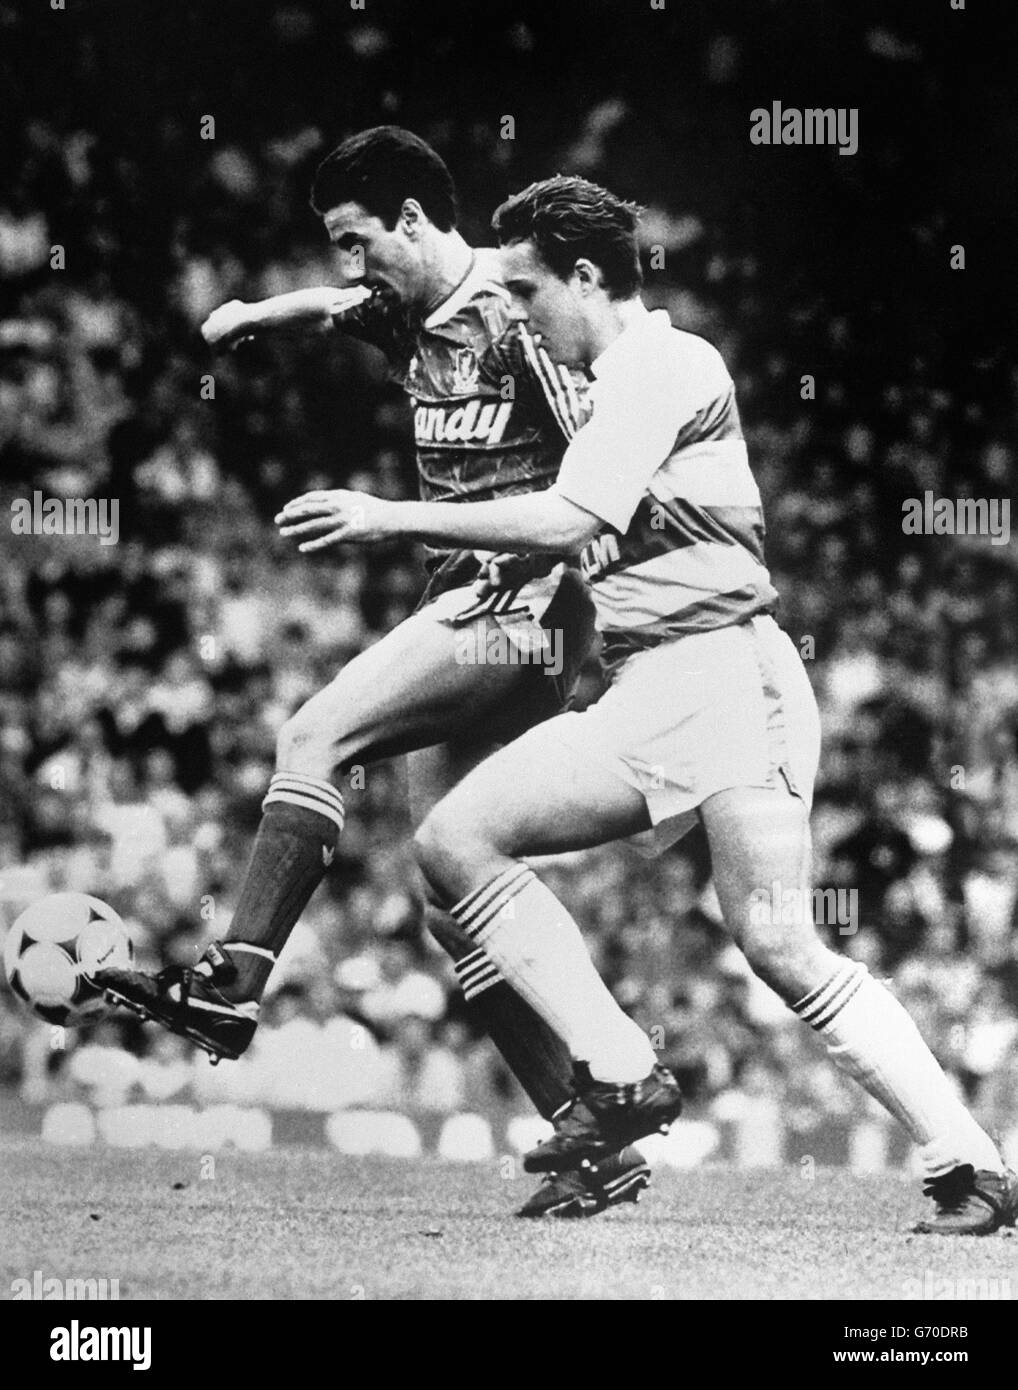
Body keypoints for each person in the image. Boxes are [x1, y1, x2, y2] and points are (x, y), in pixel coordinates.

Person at [272, 174, 1017, 1235]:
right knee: (470, 850)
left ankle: (935, 1155)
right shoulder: (594, 381)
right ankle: (950, 1158)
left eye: (527, 291)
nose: (514, 314)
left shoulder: (667, 362)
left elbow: (579, 513)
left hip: (722, 673)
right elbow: (401, 315)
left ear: (586, 277)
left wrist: (383, 515)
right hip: (662, 681)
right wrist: (272, 314)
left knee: (761, 936)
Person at [99, 131, 649, 1220]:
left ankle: (231, 982)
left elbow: (600, 478)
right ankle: (593, 1134)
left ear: (411, 218)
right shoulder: (401, 306)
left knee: (314, 733)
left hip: (522, 606)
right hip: (472, 600)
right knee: (452, 895)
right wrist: (260, 313)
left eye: (360, 241)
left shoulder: (514, 312)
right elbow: (331, 306)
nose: (352, 267)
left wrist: (588, 603)